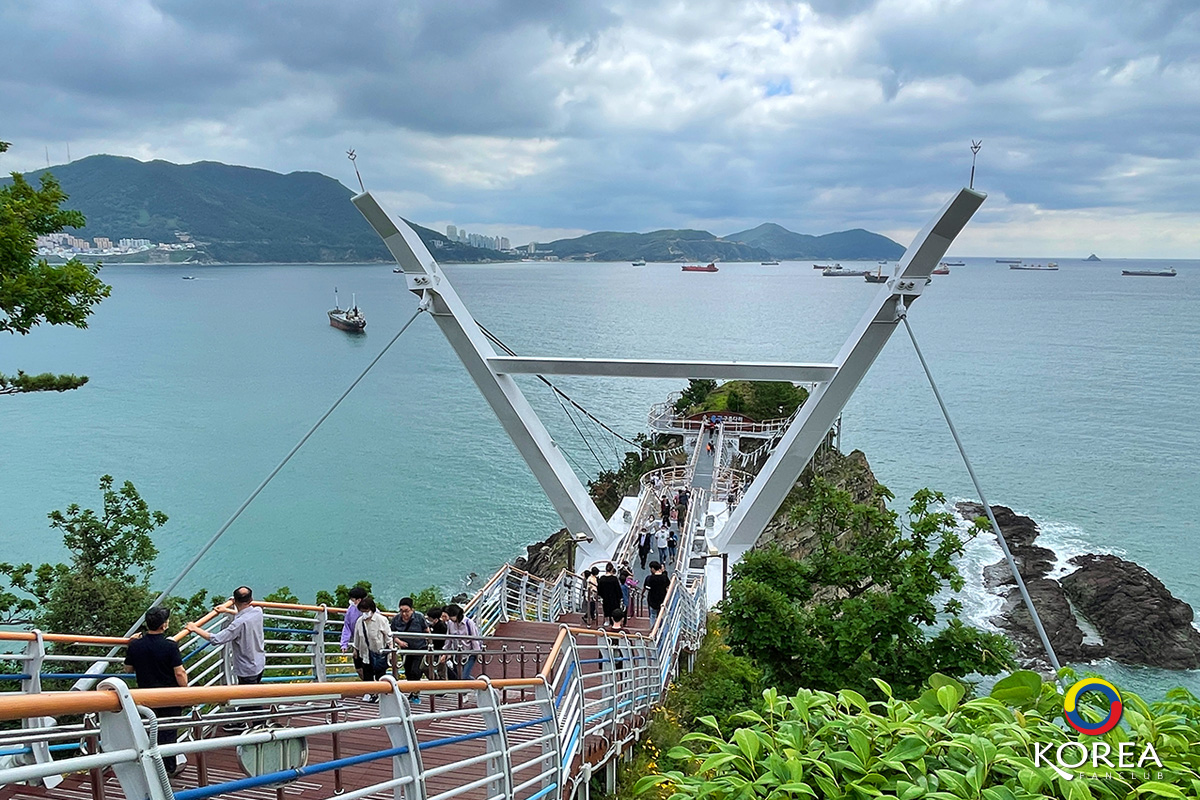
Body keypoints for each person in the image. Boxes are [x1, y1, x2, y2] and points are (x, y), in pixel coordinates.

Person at [125, 606, 188, 776]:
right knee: (168, 732)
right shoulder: (169, 646)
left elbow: (128, 669)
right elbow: (179, 672)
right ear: (164, 625)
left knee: (149, 732)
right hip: (169, 696)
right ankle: (167, 769)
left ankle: (150, 768)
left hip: (145, 697)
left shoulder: (136, 645)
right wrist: (187, 692)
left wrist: (132, 644)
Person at [187, 586, 265, 686]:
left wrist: (194, 628)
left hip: (247, 670)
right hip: (259, 663)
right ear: (251, 600)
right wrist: (227, 610)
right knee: (254, 692)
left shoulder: (238, 624)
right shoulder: (258, 611)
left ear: (235, 601)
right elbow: (244, 615)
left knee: (247, 699)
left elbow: (216, 639)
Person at [352, 597, 392, 700]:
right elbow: (357, 636)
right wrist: (355, 649)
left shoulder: (381, 620)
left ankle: (380, 694)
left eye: (366, 611)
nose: (365, 613)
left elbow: (388, 636)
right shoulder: (359, 621)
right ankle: (370, 693)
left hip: (379, 652)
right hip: (365, 652)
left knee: (380, 673)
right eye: (362, 611)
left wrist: (391, 651)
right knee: (367, 673)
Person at [390, 597, 429, 703]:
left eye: (406, 611)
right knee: (408, 671)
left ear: (412, 609)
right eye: (401, 611)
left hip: (419, 648)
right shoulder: (396, 619)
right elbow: (391, 633)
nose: (404, 614)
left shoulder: (419, 617)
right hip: (405, 649)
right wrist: (399, 642)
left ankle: (416, 693)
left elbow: (427, 631)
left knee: (415, 671)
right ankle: (413, 691)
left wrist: (430, 645)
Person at [445, 603, 482, 680]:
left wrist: (478, 653)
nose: (449, 618)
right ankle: (476, 685)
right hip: (457, 654)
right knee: (459, 676)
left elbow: (474, 639)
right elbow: (449, 638)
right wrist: (446, 652)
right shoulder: (450, 624)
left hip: (469, 653)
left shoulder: (469, 623)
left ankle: (479, 686)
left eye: (450, 616)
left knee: (464, 676)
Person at [340, 586, 369, 679]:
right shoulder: (351, 609)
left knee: (369, 668)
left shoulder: (371, 610)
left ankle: (373, 690)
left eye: (352, 600)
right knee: (359, 669)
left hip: (370, 644)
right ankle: (369, 688)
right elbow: (347, 626)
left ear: (359, 600)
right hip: (357, 644)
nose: (351, 602)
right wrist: (344, 643)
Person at [425, 605, 452, 681]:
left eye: (430, 619)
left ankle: (442, 686)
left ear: (436, 619)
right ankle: (436, 680)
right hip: (432, 650)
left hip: (440, 651)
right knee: (424, 667)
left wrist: (445, 653)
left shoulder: (442, 627)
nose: (428, 620)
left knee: (442, 670)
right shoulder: (430, 626)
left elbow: (446, 641)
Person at [643, 562, 670, 627]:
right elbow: (668, 585)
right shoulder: (664, 577)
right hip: (662, 599)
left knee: (653, 615)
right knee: (661, 614)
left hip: (652, 599)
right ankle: (661, 627)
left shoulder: (650, 578)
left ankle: (653, 628)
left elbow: (647, 587)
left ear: (652, 568)